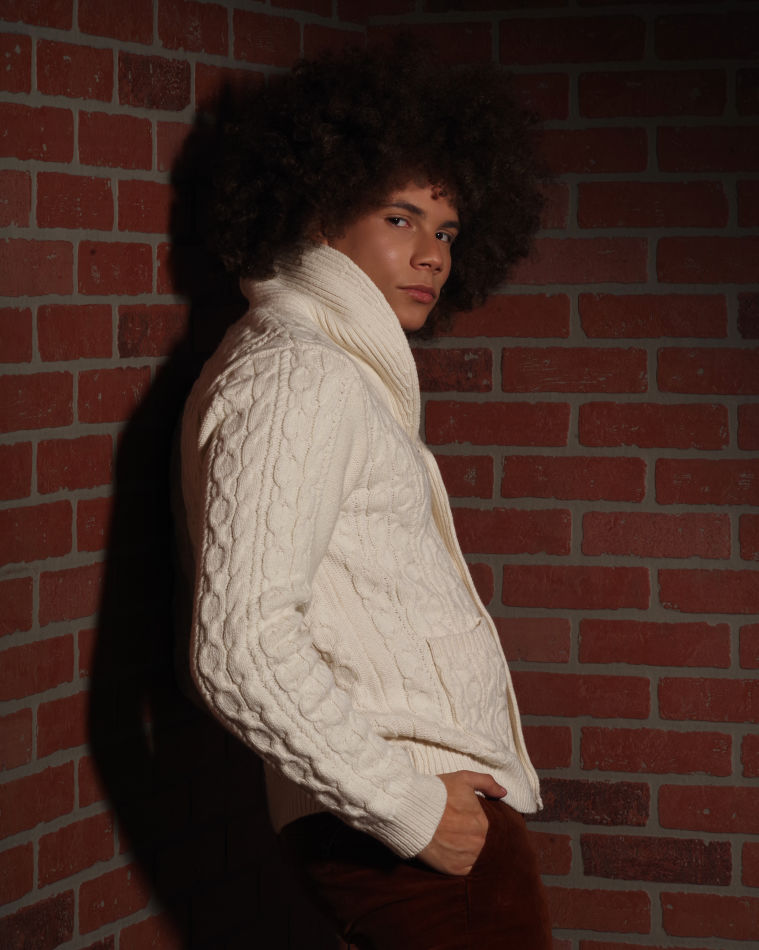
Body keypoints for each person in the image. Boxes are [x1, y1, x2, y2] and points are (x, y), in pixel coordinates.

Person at [178, 41, 552, 949]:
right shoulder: (300, 375)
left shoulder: (330, 367)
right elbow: (239, 647)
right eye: (399, 218)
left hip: (417, 816)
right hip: (400, 826)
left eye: (447, 232)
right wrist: (410, 809)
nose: (431, 256)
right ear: (318, 214)